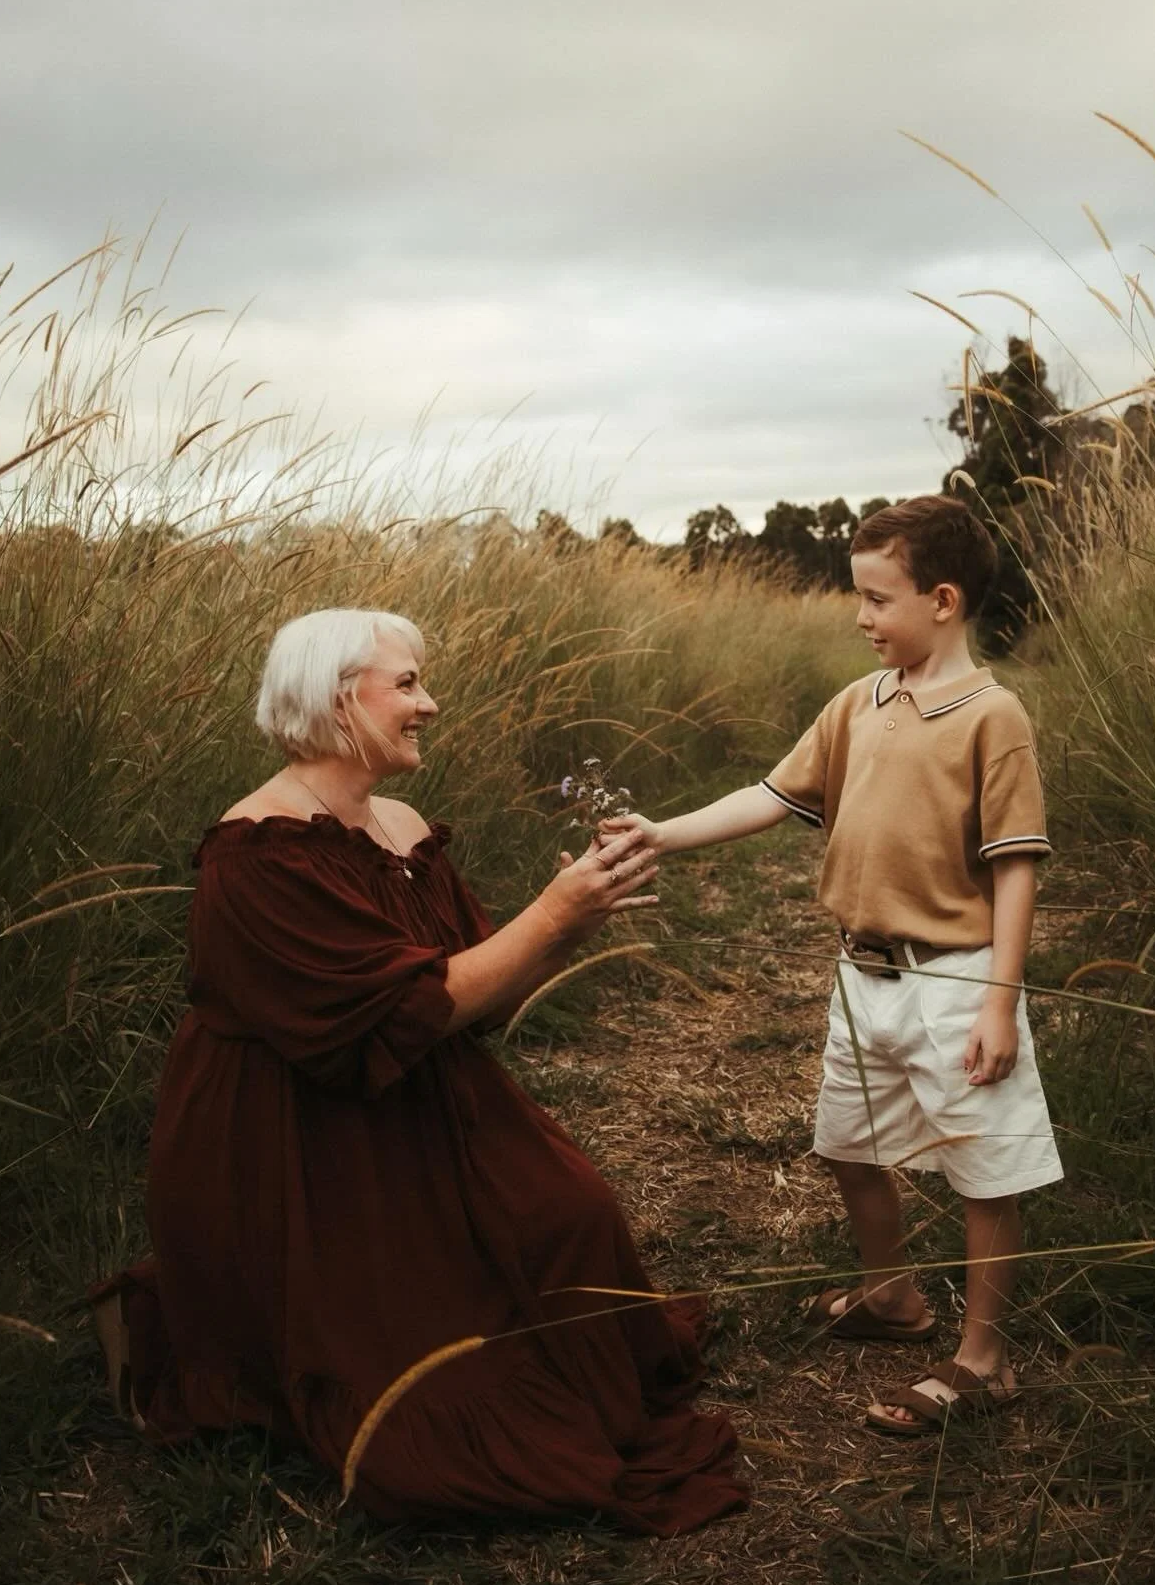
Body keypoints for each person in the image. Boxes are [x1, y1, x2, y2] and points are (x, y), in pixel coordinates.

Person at [89, 607, 747, 1533]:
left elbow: (477, 988)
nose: (429, 703)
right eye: (406, 685)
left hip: (415, 1092)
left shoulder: (396, 823)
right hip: (299, 1135)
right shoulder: (257, 853)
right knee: (430, 1404)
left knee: (574, 1215)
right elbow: (408, 1006)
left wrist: (574, 921)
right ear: (334, 700)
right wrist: (551, 916)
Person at [603, 496, 1062, 1434]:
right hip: (862, 976)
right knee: (847, 1147)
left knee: (985, 1173)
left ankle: (982, 1360)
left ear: (942, 600)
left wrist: (1000, 1003)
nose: (860, 617)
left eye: (876, 600)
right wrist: (664, 832)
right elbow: (771, 797)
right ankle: (892, 1296)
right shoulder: (859, 703)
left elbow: (1015, 864)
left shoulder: (993, 716)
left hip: (956, 977)